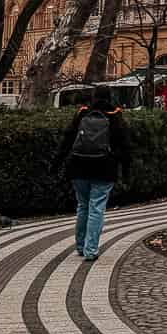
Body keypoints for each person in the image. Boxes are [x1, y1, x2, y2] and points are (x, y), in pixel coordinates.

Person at [52, 85, 131, 261]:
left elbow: (67, 138)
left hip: (78, 166)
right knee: (96, 207)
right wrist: (125, 171)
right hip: (104, 168)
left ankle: (80, 246)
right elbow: (125, 146)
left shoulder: (82, 113)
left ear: (93, 97)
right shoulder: (115, 115)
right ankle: (91, 250)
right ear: (110, 97)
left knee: (83, 205)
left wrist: (57, 163)